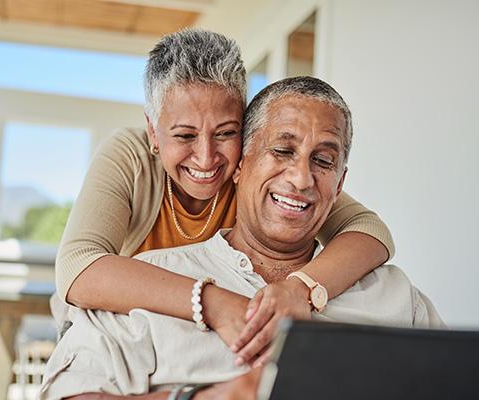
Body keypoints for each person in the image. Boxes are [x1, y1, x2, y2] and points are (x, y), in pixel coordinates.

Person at [40, 76, 442, 400]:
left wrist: (302, 290)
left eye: (323, 161)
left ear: (339, 186)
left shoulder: (395, 297)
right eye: (282, 151)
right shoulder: (140, 288)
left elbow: (373, 231)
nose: (301, 179)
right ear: (239, 166)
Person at [55, 29, 395, 365]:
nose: (206, 158)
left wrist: (301, 288)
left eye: (226, 133)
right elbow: (78, 266)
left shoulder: (258, 174)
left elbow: (369, 230)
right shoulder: (131, 157)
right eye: (185, 135)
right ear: (153, 132)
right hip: (120, 332)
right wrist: (212, 303)